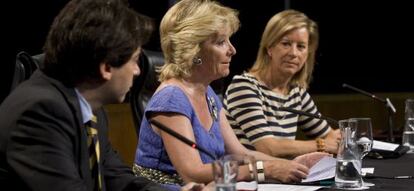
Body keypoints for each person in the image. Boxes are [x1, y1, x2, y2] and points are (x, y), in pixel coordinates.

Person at [134, 0, 329, 190]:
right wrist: (264, 169)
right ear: (193, 48)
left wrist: (292, 164)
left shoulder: (207, 92)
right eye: (220, 42)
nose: (232, 50)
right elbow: (192, 173)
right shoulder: (171, 98)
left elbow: (238, 153)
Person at [0, 0, 166, 190]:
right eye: (135, 60)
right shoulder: (40, 113)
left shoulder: (90, 106)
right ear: (106, 67)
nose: (137, 71)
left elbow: (115, 176)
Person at [223, 9, 340, 159]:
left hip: (283, 177)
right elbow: (268, 148)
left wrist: (339, 138)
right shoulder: (243, 87)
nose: (294, 53)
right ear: (269, 48)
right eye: (286, 44)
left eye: (301, 46)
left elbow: (329, 136)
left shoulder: (296, 93)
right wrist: (321, 145)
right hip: (251, 178)